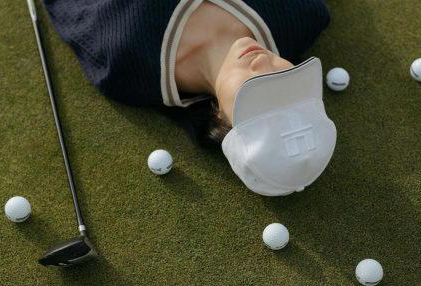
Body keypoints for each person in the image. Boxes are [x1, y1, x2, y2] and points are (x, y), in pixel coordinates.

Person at [43, 0, 337, 196]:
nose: (263, 64)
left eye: (257, 88)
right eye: (288, 79)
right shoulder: (301, 14)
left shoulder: (125, 64)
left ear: (221, 118)